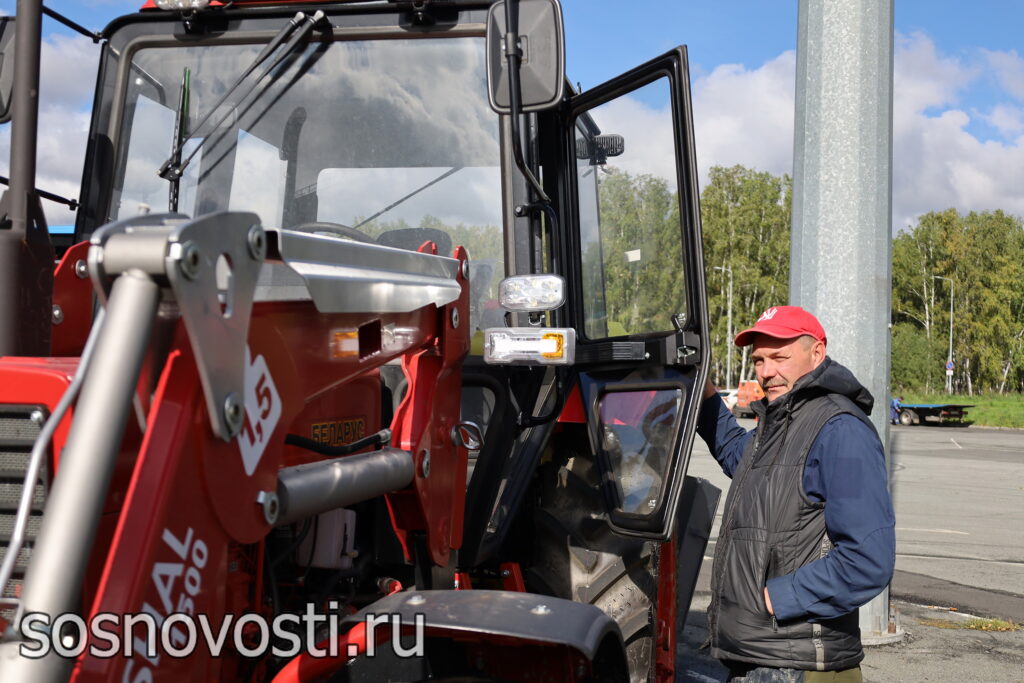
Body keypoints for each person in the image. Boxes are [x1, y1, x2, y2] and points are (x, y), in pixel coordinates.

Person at [696, 306, 895, 682]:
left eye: (779, 357)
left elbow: (867, 559)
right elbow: (736, 452)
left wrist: (779, 597)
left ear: (817, 353)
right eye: (759, 360)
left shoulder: (840, 430)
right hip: (759, 658)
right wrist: (703, 394)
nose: (766, 371)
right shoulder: (781, 424)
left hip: (800, 665)